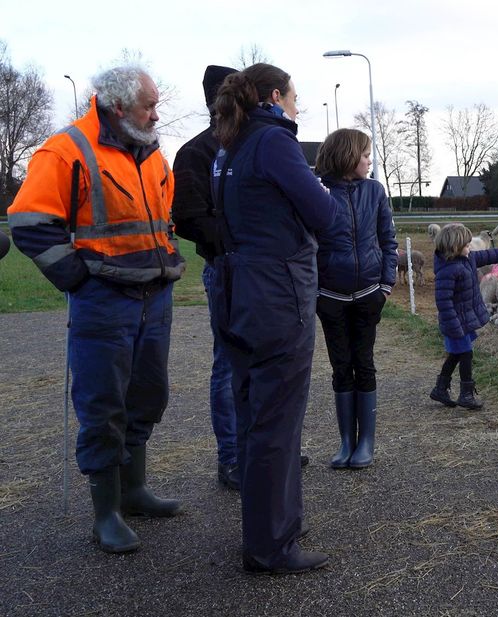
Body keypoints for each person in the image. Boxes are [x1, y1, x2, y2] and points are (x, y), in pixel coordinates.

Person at [8, 65, 185, 553]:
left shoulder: (150, 152)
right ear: (118, 105)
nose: (156, 113)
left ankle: (133, 491)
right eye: (149, 104)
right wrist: (77, 279)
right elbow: (28, 222)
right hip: (103, 301)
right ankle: (104, 514)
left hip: (156, 294)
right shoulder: (66, 149)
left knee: (148, 395)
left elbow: (163, 215)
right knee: (102, 403)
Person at [210, 63, 337, 574]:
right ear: (275, 95)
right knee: (278, 420)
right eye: (295, 97)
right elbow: (324, 215)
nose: (298, 107)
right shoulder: (274, 142)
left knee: (254, 415)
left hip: (236, 289)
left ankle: (273, 524)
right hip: (276, 295)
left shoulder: (229, 145)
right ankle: (270, 545)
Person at [171, 65, 241, 490]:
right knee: (229, 364)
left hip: (261, 271)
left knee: (263, 362)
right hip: (226, 269)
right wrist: (233, 244)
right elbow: (188, 217)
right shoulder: (196, 153)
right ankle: (231, 457)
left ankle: (260, 446)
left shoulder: (254, 145)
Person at [313, 128, 397, 469]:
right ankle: (346, 441)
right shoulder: (318, 192)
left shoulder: (375, 191)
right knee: (339, 366)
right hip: (330, 296)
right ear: (348, 156)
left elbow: (388, 241)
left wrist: (386, 285)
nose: (369, 160)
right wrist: (316, 291)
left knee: (363, 363)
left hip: (367, 295)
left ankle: (367, 443)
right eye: (364, 154)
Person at [430, 224, 498, 410]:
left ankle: (440, 388)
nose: (471, 248)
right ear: (455, 247)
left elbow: (489, 255)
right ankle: (466, 394)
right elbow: (443, 303)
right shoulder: (447, 271)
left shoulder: (467, 259)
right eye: (467, 245)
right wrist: (454, 327)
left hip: (463, 320)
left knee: (455, 354)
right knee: (466, 354)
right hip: (455, 323)